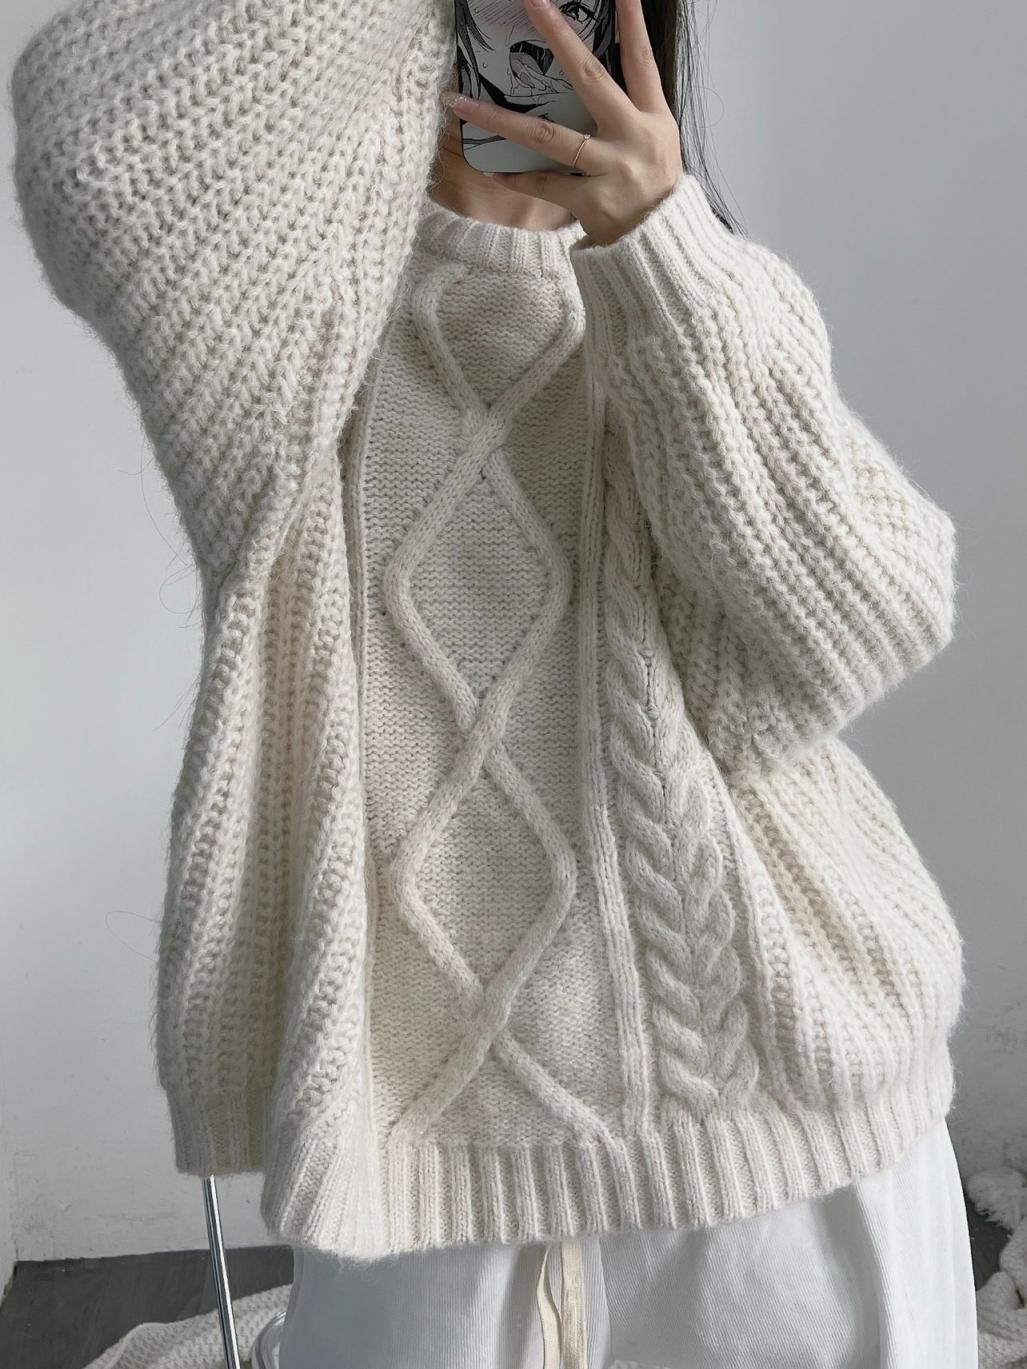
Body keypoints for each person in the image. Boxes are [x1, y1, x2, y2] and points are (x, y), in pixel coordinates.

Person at [10, 0, 977, 1363]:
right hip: (420, 1129)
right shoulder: (291, 320)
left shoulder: (693, 285)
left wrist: (665, 249)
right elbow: (87, 135)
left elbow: (857, 630)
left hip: (767, 1099)